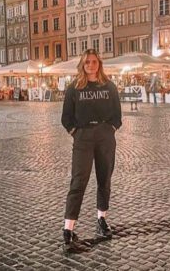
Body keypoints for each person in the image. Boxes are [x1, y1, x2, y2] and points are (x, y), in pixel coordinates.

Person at [61, 49, 122, 253]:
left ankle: (101, 219)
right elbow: (66, 118)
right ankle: (68, 228)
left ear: (99, 64)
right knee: (78, 182)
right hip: (83, 137)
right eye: (87, 62)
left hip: (105, 136)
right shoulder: (74, 88)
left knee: (104, 179)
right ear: (82, 64)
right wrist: (76, 133)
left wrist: (110, 128)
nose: (91, 65)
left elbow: (117, 115)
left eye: (94, 62)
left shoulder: (109, 86)